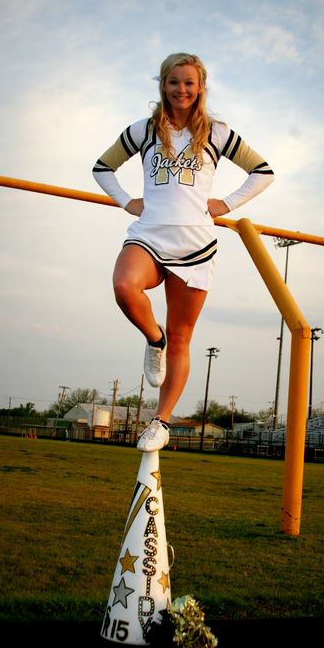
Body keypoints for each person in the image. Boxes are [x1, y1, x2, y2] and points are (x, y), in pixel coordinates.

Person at [92, 52, 274, 453]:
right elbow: (102, 168)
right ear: (163, 85)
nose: (182, 89)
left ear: (201, 87)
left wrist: (225, 204)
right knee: (125, 286)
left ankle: (162, 420)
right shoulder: (143, 130)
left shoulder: (217, 132)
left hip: (195, 244)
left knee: (182, 337)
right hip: (149, 235)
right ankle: (151, 338)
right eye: (174, 82)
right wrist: (126, 201)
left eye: (189, 82)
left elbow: (262, 172)